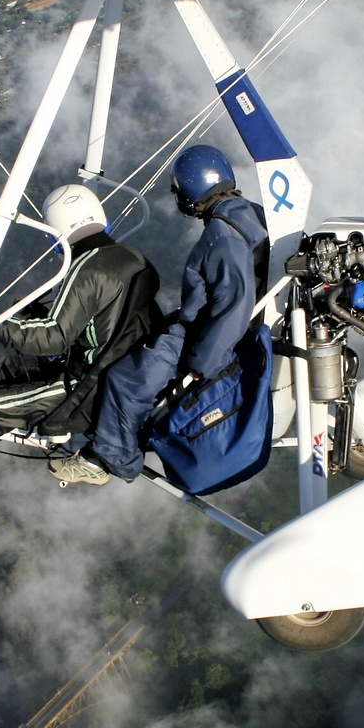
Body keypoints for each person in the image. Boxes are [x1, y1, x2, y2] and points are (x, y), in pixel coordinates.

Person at [51, 144, 268, 485]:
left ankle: (110, 458)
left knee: (124, 380)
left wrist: (204, 364)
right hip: (203, 324)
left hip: (202, 335)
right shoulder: (247, 212)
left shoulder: (221, 237)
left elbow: (232, 305)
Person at [0, 183, 161, 465]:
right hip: (123, 374)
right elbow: (104, 322)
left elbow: (54, 337)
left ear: (58, 231)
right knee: (18, 367)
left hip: (87, 387)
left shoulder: (87, 268)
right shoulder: (132, 256)